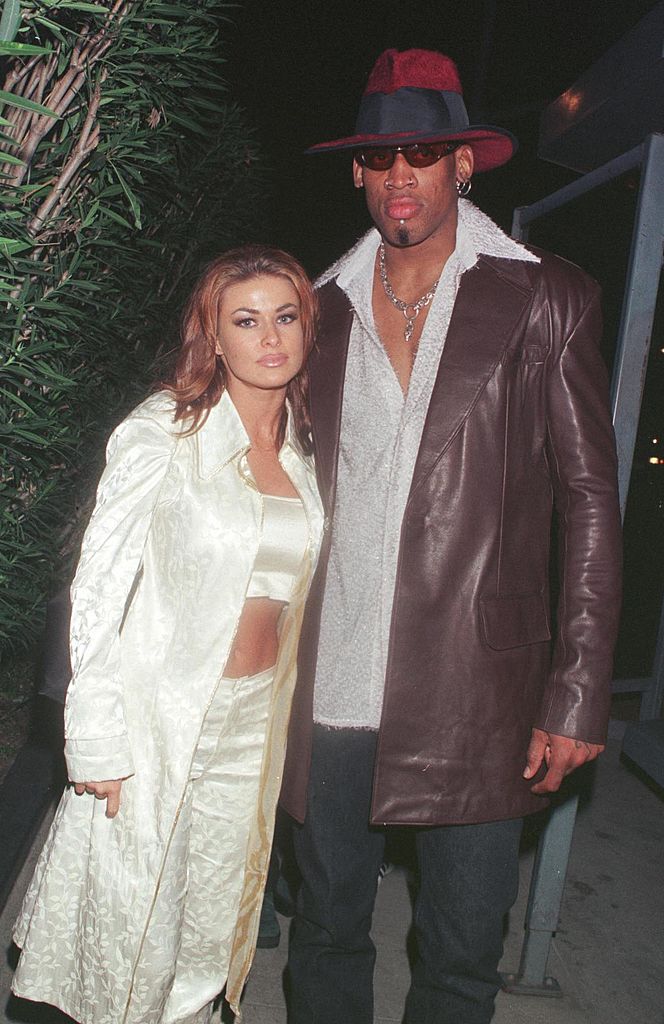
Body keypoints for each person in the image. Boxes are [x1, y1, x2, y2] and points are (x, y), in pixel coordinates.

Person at [280, 48, 623, 1024]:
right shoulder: (318, 307)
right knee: (327, 929)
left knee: (461, 953)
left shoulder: (547, 295)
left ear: (464, 164)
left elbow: (590, 500)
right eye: (380, 157)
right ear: (356, 170)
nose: (400, 178)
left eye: (422, 155)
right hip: (332, 675)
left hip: (481, 685)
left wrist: (578, 687)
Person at [12, 245, 324, 1024]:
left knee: (210, 926)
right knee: (128, 932)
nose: (270, 338)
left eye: (286, 317)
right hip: (158, 717)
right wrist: (95, 736)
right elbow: (98, 589)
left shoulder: (301, 448)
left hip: (253, 726)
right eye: (245, 321)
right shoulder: (164, 430)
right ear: (213, 337)